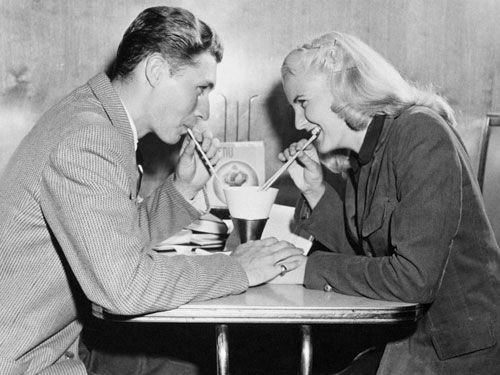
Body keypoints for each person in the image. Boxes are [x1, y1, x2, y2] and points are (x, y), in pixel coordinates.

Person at [0, 6, 304, 375]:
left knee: (183, 365)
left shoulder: (96, 118)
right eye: (200, 88)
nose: (204, 109)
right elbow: (123, 288)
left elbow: (113, 246)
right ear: (157, 70)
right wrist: (236, 269)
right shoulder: (90, 137)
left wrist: (182, 187)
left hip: (50, 350)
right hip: (25, 363)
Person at [278, 31, 500, 374]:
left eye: (303, 102)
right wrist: (316, 191)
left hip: (456, 353)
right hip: (408, 341)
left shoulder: (420, 133)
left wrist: (305, 270)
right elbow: (367, 259)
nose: (297, 122)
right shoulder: (364, 155)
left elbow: (412, 279)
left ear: (340, 85)